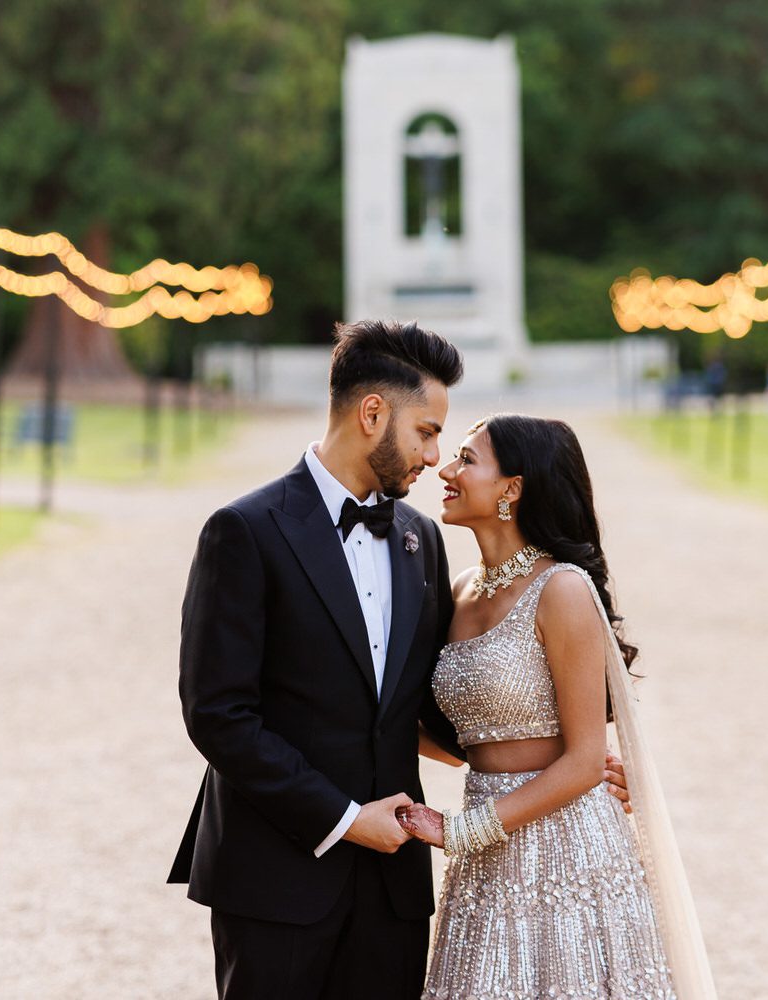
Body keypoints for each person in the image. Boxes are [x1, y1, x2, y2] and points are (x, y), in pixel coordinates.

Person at [169, 320, 631, 1000]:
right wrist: (349, 820)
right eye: (426, 431)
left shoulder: (419, 540)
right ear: (372, 413)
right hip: (275, 877)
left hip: (394, 893)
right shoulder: (244, 531)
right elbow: (219, 717)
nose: (436, 455)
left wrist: (566, 764)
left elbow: (429, 705)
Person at [398, 413, 717, 1000]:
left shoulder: (563, 589)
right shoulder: (461, 590)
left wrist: (460, 832)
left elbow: (584, 760)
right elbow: (460, 740)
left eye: (467, 460)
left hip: (567, 849)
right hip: (485, 863)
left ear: (512, 488)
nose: (445, 468)